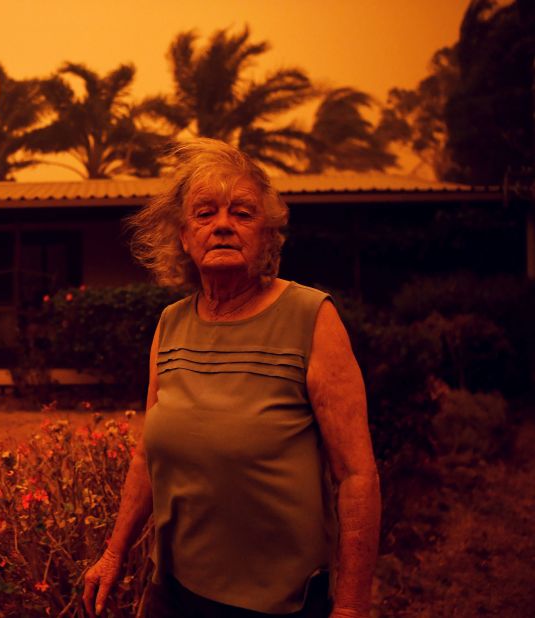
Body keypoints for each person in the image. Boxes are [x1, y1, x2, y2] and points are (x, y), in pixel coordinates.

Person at [82, 139, 380, 618]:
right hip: (172, 590)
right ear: (183, 236)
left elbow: (357, 475)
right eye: (205, 213)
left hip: (276, 602)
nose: (222, 225)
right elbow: (147, 455)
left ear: (267, 236)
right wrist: (114, 553)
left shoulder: (310, 316)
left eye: (242, 213)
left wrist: (351, 606)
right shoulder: (171, 324)